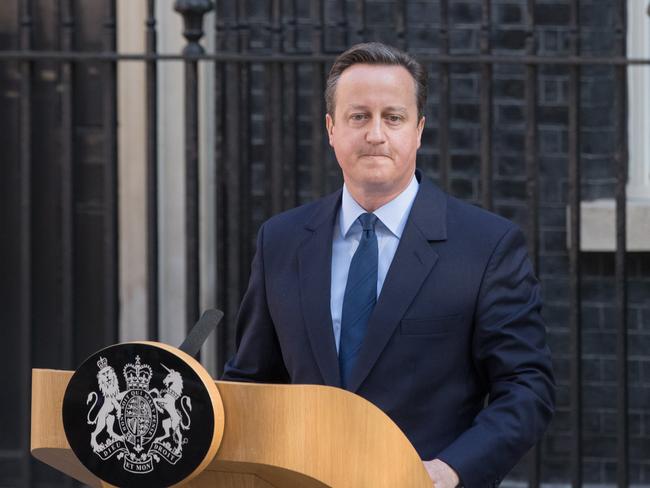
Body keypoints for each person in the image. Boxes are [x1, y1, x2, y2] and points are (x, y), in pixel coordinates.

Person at [222, 42, 555, 487]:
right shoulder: (280, 241)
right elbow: (251, 384)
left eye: (392, 118)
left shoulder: (486, 246)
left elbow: (527, 388)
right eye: (358, 116)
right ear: (331, 129)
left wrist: (448, 471)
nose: (375, 134)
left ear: (418, 130)